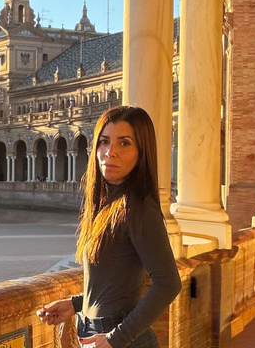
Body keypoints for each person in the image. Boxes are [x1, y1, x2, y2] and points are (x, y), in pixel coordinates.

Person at [37, 106, 182, 348]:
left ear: (141, 152)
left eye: (124, 143)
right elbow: (116, 283)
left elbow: (168, 283)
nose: (110, 152)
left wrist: (117, 339)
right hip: (99, 333)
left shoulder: (137, 206)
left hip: (118, 340)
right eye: (104, 141)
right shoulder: (107, 204)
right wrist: (74, 305)